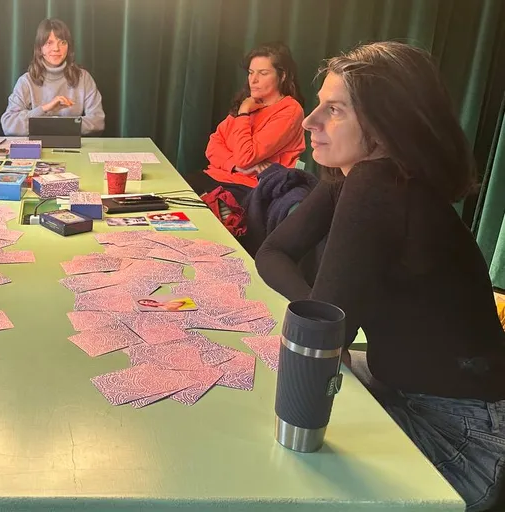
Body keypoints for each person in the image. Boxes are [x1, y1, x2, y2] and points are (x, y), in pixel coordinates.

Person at [255, 42, 505, 511]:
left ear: (388, 125)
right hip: (423, 396)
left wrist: (326, 327)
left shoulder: (377, 183)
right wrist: (320, 314)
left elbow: (324, 344)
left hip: (465, 440)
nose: (309, 122)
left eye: (335, 110)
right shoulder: (357, 177)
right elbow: (273, 252)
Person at [193, 42, 305, 191]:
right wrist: (234, 166)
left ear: (282, 75)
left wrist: (244, 113)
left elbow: (245, 157)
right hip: (216, 175)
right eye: (251, 73)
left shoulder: (289, 110)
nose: (253, 80)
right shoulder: (249, 101)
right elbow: (213, 145)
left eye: (263, 73)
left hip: (246, 188)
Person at [0, 18, 104, 136]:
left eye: (62, 42)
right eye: (49, 43)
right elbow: (9, 124)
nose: (56, 49)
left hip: (73, 148)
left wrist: (50, 125)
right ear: (40, 48)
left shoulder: (84, 78)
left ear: (68, 47)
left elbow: (97, 121)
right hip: (36, 149)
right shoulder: (26, 81)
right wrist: (44, 109)